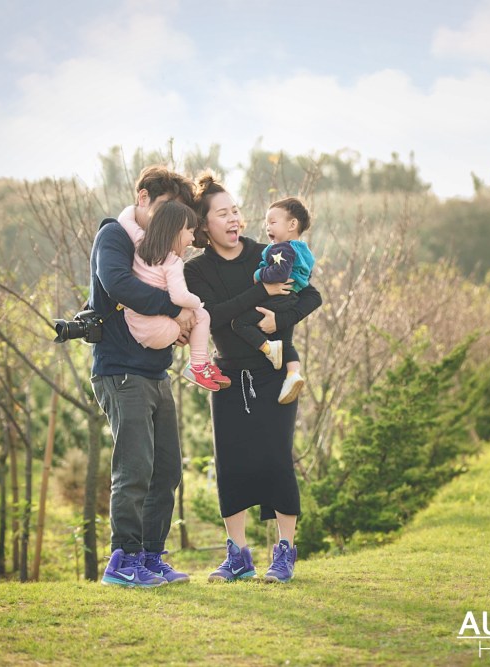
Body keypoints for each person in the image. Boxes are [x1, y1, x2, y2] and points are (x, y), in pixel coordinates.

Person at [184, 172, 323, 584]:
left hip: (275, 374)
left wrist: (277, 319)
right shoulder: (197, 271)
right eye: (222, 214)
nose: (234, 220)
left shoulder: (270, 253)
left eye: (236, 211)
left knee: (276, 458)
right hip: (227, 376)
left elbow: (311, 296)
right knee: (231, 464)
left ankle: (284, 552)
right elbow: (213, 316)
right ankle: (238, 556)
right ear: (204, 225)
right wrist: (262, 292)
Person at [89, 166, 196, 588]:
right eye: (168, 208)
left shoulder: (163, 251)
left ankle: (150, 557)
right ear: (144, 196)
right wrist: (175, 310)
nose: (173, 221)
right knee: (134, 468)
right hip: (120, 370)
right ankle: (123, 559)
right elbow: (116, 283)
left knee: (166, 470)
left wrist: (179, 327)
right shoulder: (113, 235)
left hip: (155, 370)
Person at [117, 199, 231, 391]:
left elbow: (124, 219)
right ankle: (198, 365)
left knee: (193, 317)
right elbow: (179, 297)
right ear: (177, 230)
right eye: (190, 231)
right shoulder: (172, 262)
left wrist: (134, 206)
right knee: (202, 315)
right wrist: (197, 302)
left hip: (136, 325)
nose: (192, 238)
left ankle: (199, 364)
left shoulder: (140, 241)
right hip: (161, 330)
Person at [231, 197, 315, 404]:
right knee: (287, 341)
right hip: (291, 297)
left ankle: (268, 348)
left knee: (239, 323)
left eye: (272, 222)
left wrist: (259, 275)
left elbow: (279, 273)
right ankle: (293, 374)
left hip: (278, 298)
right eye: (266, 223)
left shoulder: (283, 249)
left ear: (292, 224)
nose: (267, 227)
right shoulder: (302, 249)